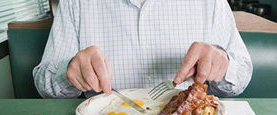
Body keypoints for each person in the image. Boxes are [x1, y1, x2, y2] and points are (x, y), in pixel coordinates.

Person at [33, 0, 252, 98]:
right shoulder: (76, 3)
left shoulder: (211, 2)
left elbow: (240, 75)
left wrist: (221, 64)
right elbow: (45, 84)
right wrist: (69, 72)